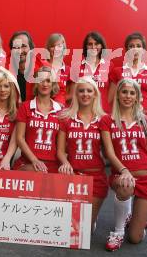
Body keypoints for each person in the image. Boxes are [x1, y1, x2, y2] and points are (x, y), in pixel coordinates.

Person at [100, 78, 147, 251]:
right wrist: (124, 170)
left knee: (135, 238)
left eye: (132, 93)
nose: (128, 96)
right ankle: (118, 231)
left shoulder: (144, 121)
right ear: (118, 95)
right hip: (122, 176)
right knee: (125, 185)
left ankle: (133, 220)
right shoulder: (108, 120)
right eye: (124, 92)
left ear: (137, 97)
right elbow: (109, 152)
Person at [57, 76, 107, 229]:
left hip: (96, 177)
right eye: (81, 91)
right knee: (70, 229)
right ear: (76, 94)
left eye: (89, 91)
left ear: (95, 94)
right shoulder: (66, 118)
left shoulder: (104, 120)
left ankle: (91, 217)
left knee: (83, 230)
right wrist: (65, 163)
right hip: (74, 176)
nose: (85, 94)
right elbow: (59, 151)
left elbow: (111, 151)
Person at [108, 32, 147, 146]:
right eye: (131, 46)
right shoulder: (118, 71)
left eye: (138, 46)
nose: (135, 49)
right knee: (130, 156)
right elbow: (111, 99)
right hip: (126, 119)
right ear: (126, 50)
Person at [15, 66, 61, 173]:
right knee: (37, 172)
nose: (45, 84)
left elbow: (61, 144)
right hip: (28, 162)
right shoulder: (26, 107)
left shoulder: (60, 110)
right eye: (41, 80)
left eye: (48, 81)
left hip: (52, 164)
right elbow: (19, 138)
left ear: (53, 84)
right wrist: (35, 160)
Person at [78, 31, 113, 112]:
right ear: (86, 46)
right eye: (90, 44)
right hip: (82, 111)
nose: (93, 47)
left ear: (101, 46)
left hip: (103, 112)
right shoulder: (77, 66)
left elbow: (112, 93)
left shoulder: (109, 65)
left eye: (97, 44)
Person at [8, 30, 35, 101]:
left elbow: (58, 90)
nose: (19, 51)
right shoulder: (3, 70)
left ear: (31, 48)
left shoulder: (42, 68)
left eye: (23, 46)